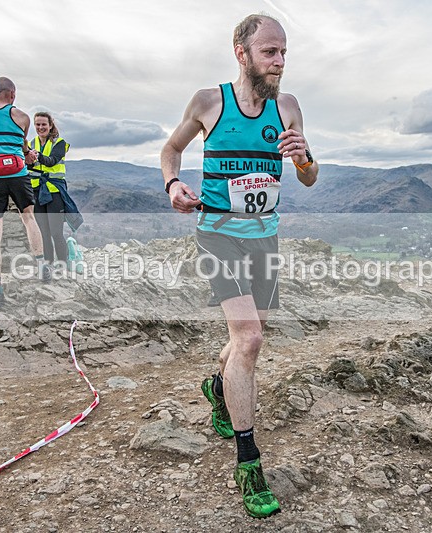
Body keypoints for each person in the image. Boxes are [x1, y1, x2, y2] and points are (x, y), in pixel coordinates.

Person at [160, 14, 318, 518]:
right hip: (218, 237)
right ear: (241, 51)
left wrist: (304, 159)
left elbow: (310, 177)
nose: (280, 62)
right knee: (249, 339)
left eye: (284, 52)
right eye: (270, 52)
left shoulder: (288, 107)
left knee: (244, 339)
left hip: (264, 239)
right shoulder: (210, 102)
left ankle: (216, 384)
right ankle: (248, 463)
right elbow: (171, 150)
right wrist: (173, 185)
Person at [0, 77, 44, 309]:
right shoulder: (22, 117)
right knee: (29, 218)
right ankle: (42, 267)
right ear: (13, 94)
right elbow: (22, 145)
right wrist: (28, 154)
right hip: (18, 173)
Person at [27, 111, 71, 277]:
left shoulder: (59, 143)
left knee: (56, 232)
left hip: (54, 192)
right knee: (43, 232)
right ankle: (48, 266)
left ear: (50, 125)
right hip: (37, 191)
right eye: (37, 124)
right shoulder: (31, 143)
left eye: (43, 124)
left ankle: (63, 266)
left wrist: (35, 156)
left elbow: (52, 161)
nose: (40, 127)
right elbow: (29, 166)